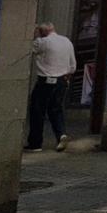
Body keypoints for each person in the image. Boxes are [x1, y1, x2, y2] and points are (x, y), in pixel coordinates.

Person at [25, 22, 76, 153]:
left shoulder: (42, 42)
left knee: (37, 110)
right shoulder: (66, 41)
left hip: (45, 81)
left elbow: (26, 48)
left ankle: (35, 143)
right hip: (62, 80)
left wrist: (33, 34)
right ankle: (61, 136)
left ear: (41, 32)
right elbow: (72, 66)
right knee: (56, 109)